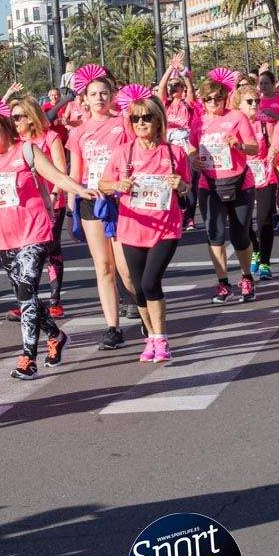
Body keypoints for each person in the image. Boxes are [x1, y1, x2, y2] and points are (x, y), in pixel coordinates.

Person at [0, 99, 96, 380]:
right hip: (4, 239)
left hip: (34, 231)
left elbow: (57, 176)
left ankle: (28, 356)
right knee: (26, 295)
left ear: (6, 127)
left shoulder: (26, 151)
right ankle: (55, 334)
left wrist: (81, 190)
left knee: (27, 290)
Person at [97, 87, 190, 362]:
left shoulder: (174, 154)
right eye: (136, 119)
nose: (141, 123)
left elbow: (186, 187)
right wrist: (117, 185)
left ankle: (161, 338)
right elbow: (102, 184)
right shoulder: (123, 153)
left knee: (151, 282)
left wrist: (180, 185)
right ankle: (150, 337)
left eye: (146, 118)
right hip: (132, 228)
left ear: (158, 120)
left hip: (165, 228)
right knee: (137, 288)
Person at [66, 65, 136, 349]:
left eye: (104, 93)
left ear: (112, 96)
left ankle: (145, 314)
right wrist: (72, 203)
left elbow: (135, 157)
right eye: (93, 94)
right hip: (90, 202)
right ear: (84, 98)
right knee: (103, 267)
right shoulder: (78, 132)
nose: (99, 98)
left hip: (119, 201)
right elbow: (75, 171)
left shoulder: (124, 123)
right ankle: (112, 328)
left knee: (125, 267)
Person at [191, 69, 258, 304]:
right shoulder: (198, 121)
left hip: (240, 182)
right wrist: (192, 159)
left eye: (217, 98)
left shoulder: (237, 117)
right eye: (208, 99)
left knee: (240, 235)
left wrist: (238, 145)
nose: (213, 103)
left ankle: (247, 277)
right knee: (215, 235)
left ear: (225, 97)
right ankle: (223, 283)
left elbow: (254, 148)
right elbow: (191, 148)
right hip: (209, 183)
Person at [11, 96, 69, 319]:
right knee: (22, 254)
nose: (13, 122)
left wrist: (54, 196)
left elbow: (60, 171)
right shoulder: (14, 141)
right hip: (23, 206)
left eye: (17, 117)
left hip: (50, 204)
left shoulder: (50, 137)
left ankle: (55, 300)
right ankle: (27, 299)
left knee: (49, 250)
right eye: (12, 117)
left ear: (30, 117)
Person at [235, 83, 277, 280]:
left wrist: (273, 150)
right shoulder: (234, 123)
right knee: (243, 222)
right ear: (239, 104)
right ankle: (256, 248)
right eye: (249, 101)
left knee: (264, 219)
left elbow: (275, 139)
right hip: (242, 176)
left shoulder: (266, 121)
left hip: (265, 174)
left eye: (257, 101)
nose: (254, 105)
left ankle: (266, 263)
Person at [157, 58, 199, 230]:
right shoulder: (165, 104)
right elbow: (161, 88)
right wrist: (169, 69)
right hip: (169, 146)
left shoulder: (187, 103)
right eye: (172, 86)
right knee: (172, 179)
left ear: (182, 89)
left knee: (190, 180)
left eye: (177, 85)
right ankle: (179, 209)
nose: (173, 88)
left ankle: (189, 217)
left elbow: (191, 88)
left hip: (186, 145)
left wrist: (183, 72)